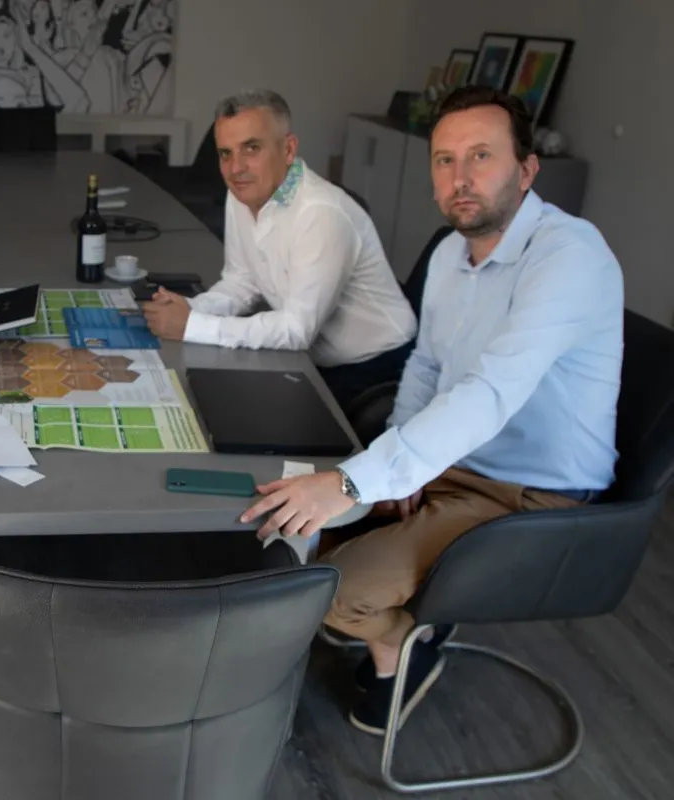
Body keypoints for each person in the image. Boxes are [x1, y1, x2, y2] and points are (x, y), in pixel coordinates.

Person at [239, 86, 624, 735]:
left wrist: (355, 481)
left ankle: (401, 646)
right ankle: (411, 613)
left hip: (531, 494)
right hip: (452, 462)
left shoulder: (569, 256)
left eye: (481, 156)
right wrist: (397, 466)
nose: (459, 177)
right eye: (444, 160)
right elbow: (425, 367)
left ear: (527, 169)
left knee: (328, 588)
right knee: (289, 541)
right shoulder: (450, 252)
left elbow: (489, 394)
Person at [142, 89, 417, 408]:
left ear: (288, 150)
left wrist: (193, 326)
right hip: (312, 357)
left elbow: (297, 329)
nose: (235, 168)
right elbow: (242, 283)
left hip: (376, 367)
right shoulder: (242, 193)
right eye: (226, 153)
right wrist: (191, 309)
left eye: (251, 148)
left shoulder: (320, 213)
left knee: (236, 414)